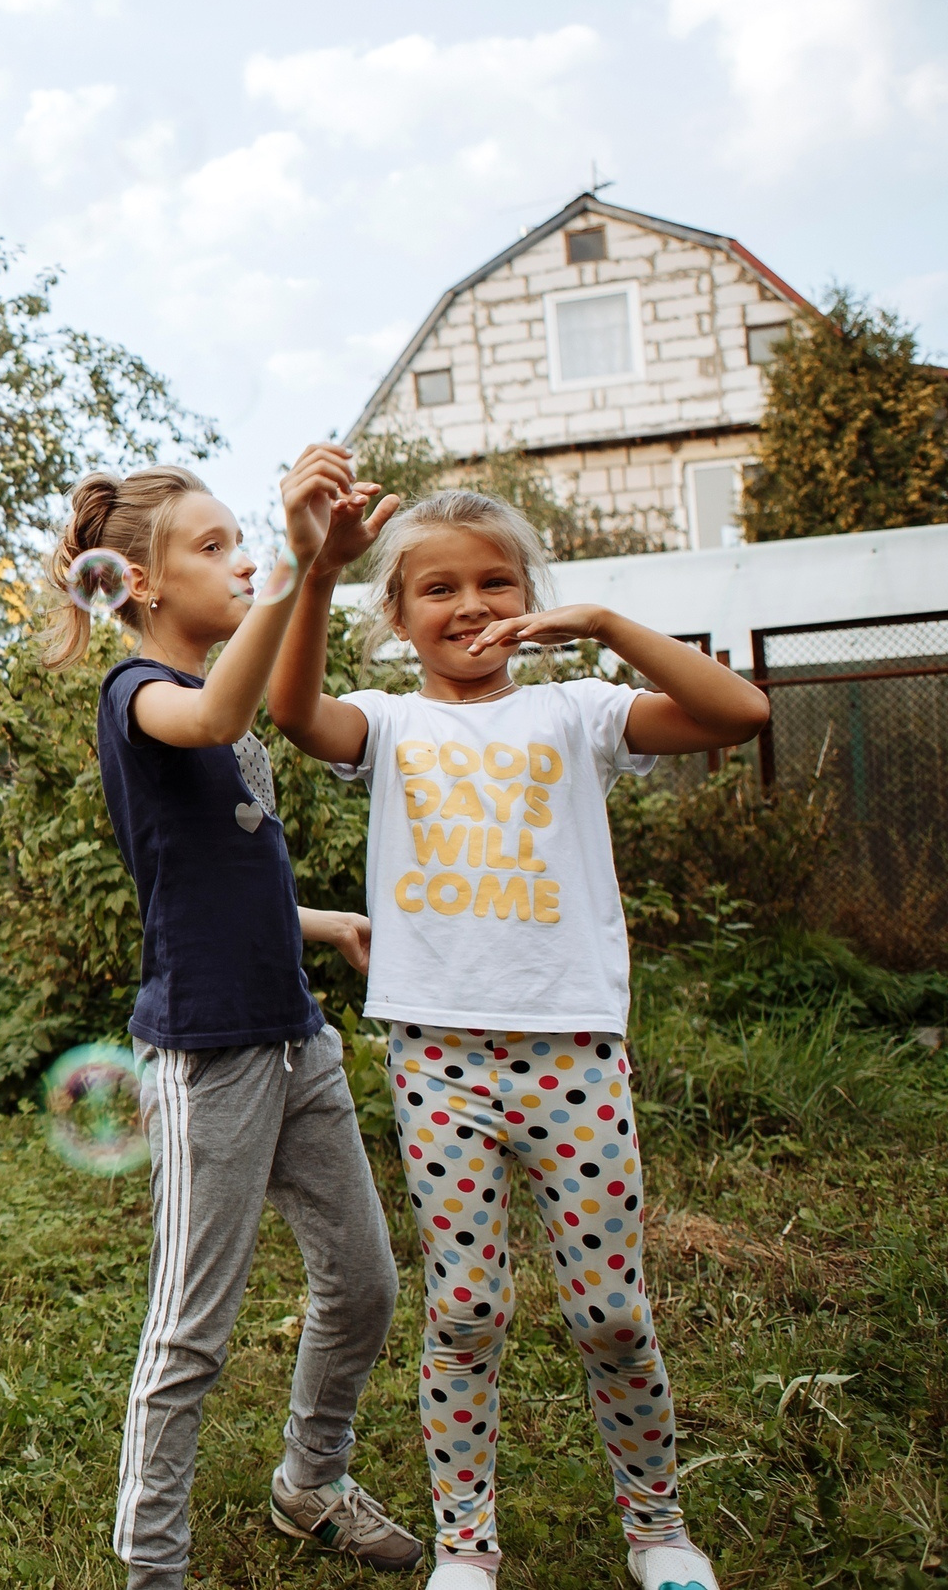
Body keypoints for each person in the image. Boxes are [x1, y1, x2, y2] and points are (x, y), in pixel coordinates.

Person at [268, 482, 768, 1590]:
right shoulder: (387, 720)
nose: (470, 602)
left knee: (611, 1313)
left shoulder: (579, 709)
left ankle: (656, 1529)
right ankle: (467, 1546)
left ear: (530, 599)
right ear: (396, 618)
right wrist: (314, 571)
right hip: (438, 1062)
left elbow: (739, 714)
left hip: (572, 1058)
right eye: (437, 587)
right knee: (465, 1307)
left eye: (495, 580)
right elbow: (297, 716)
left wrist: (600, 627)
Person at [54, 453, 425, 1590]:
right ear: (142, 587)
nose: (241, 560)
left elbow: (213, 871)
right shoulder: (141, 694)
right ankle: (150, 1568)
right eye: (211, 548)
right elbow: (220, 707)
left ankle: (310, 1481)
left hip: (294, 1034)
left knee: (363, 1282)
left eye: (241, 543)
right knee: (189, 1334)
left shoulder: (207, 706)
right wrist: (298, 567)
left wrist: (325, 924)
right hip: (207, 1056)